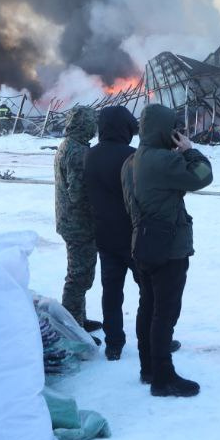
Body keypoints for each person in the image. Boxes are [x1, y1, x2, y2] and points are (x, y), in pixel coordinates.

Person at [122, 104, 213, 397]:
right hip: (169, 247)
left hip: (142, 242)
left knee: (147, 306)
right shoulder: (164, 161)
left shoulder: (132, 161)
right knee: (165, 313)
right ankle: (163, 377)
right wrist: (189, 151)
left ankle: (148, 368)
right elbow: (202, 176)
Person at [85, 105, 151, 360]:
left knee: (111, 292)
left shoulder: (89, 155)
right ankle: (152, 337)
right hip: (133, 237)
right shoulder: (133, 156)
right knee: (148, 291)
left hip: (104, 235)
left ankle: (114, 343)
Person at [54, 106, 102, 333]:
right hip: (79, 224)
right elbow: (77, 193)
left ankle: (78, 318)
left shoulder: (69, 145)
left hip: (69, 221)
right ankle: (72, 329)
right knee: (79, 277)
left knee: (79, 274)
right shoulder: (78, 152)